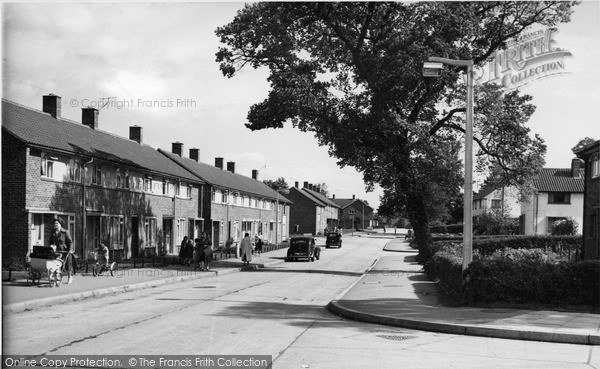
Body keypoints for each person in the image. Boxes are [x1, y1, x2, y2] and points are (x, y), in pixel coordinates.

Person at [49, 219, 75, 284]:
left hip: (65, 251)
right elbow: (50, 241)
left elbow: (70, 242)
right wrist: (51, 246)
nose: (55, 225)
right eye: (54, 224)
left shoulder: (65, 232)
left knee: (68, 265)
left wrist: (70, 250)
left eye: (56, 223)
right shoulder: (53, 232)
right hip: (57, 251)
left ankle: (70, 277)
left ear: (60, 224)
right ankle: (58, 277)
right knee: (57, 265)